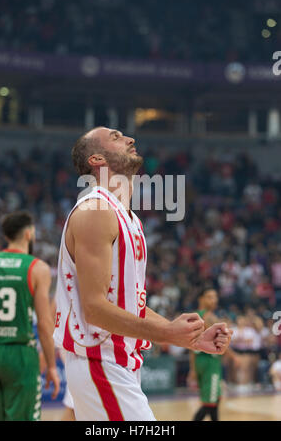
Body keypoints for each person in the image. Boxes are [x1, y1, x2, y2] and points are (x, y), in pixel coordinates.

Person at [53, 126, 232, 421]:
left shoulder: (129, 218)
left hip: (118, 364)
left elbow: (128, 305)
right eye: (115, 137)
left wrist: (187, 338)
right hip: (100, 360)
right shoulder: (95, 211)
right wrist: (165, 332)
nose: (130, 139)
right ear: (97, 159)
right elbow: (95, 309)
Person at [0, 211, 60, 421]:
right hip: (18, 354)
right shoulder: (37, 268)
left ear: (7, 236)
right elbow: (44, 323)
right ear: (29, 233)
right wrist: (51, 366)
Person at [188, 287, 238, 421]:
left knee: (213, 401)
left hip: (200, 361)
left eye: (215, 296)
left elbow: (190, 346)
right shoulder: (209, 317)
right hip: (210, 362)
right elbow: (222, 343)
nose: (214, 300)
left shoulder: (194, 316)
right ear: (201, 299)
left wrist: (192, 368)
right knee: (210, 402)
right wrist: (233, 356)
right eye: (210, 296)